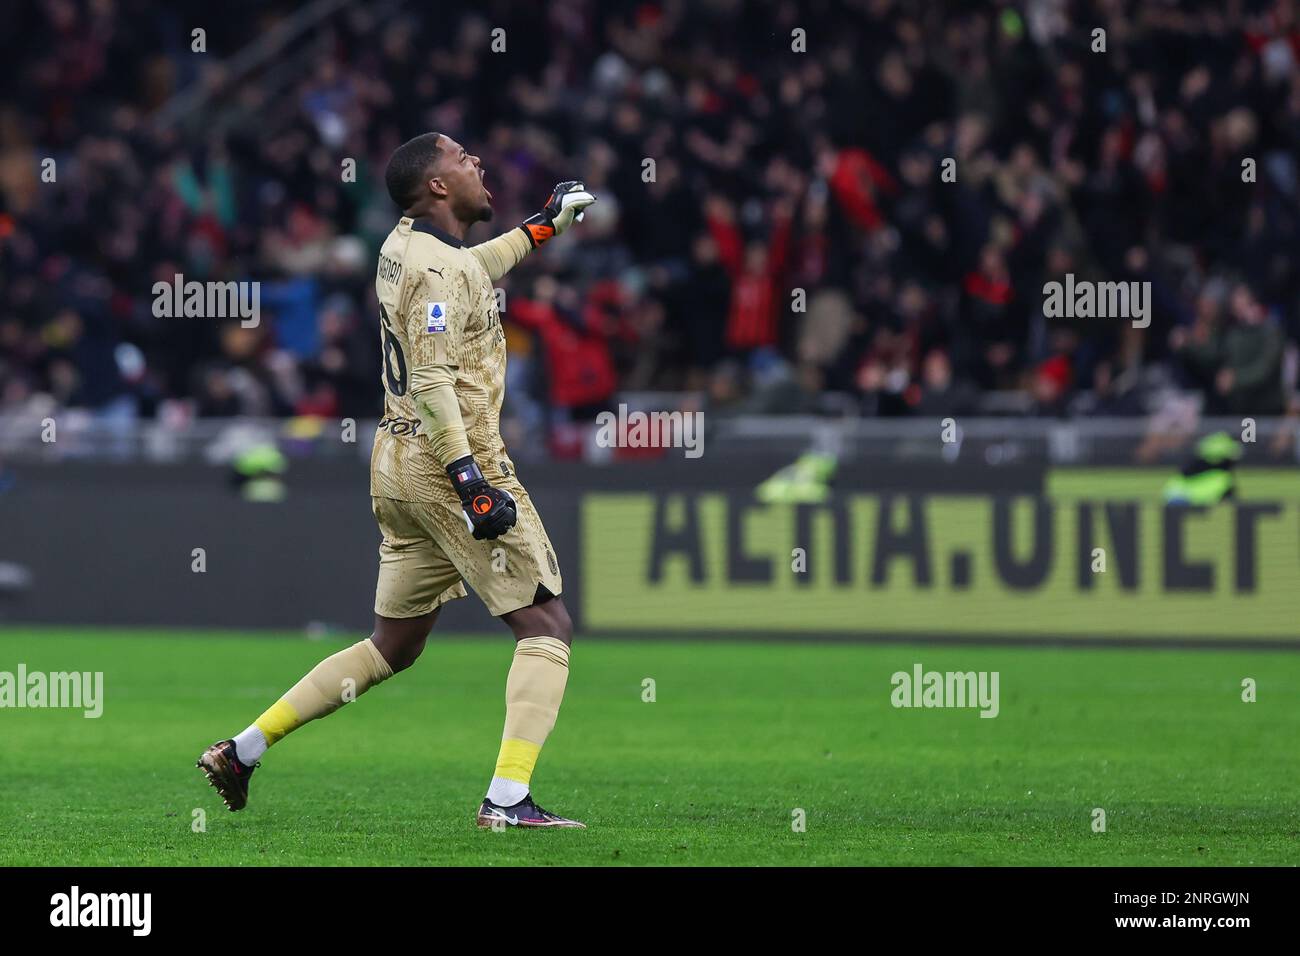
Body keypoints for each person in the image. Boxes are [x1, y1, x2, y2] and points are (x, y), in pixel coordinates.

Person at [198, 133, 595, 829]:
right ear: (436, 186)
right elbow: (438, 376)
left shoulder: (405, 249)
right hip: (451, 461)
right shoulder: (437, 271)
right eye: (461, 157)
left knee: (394, 645)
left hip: (395, 461)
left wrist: (542, 226)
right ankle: (507, 800)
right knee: (546, 624)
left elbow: (474, 267)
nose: (477, 161)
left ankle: (243, 749)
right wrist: (471, 480)